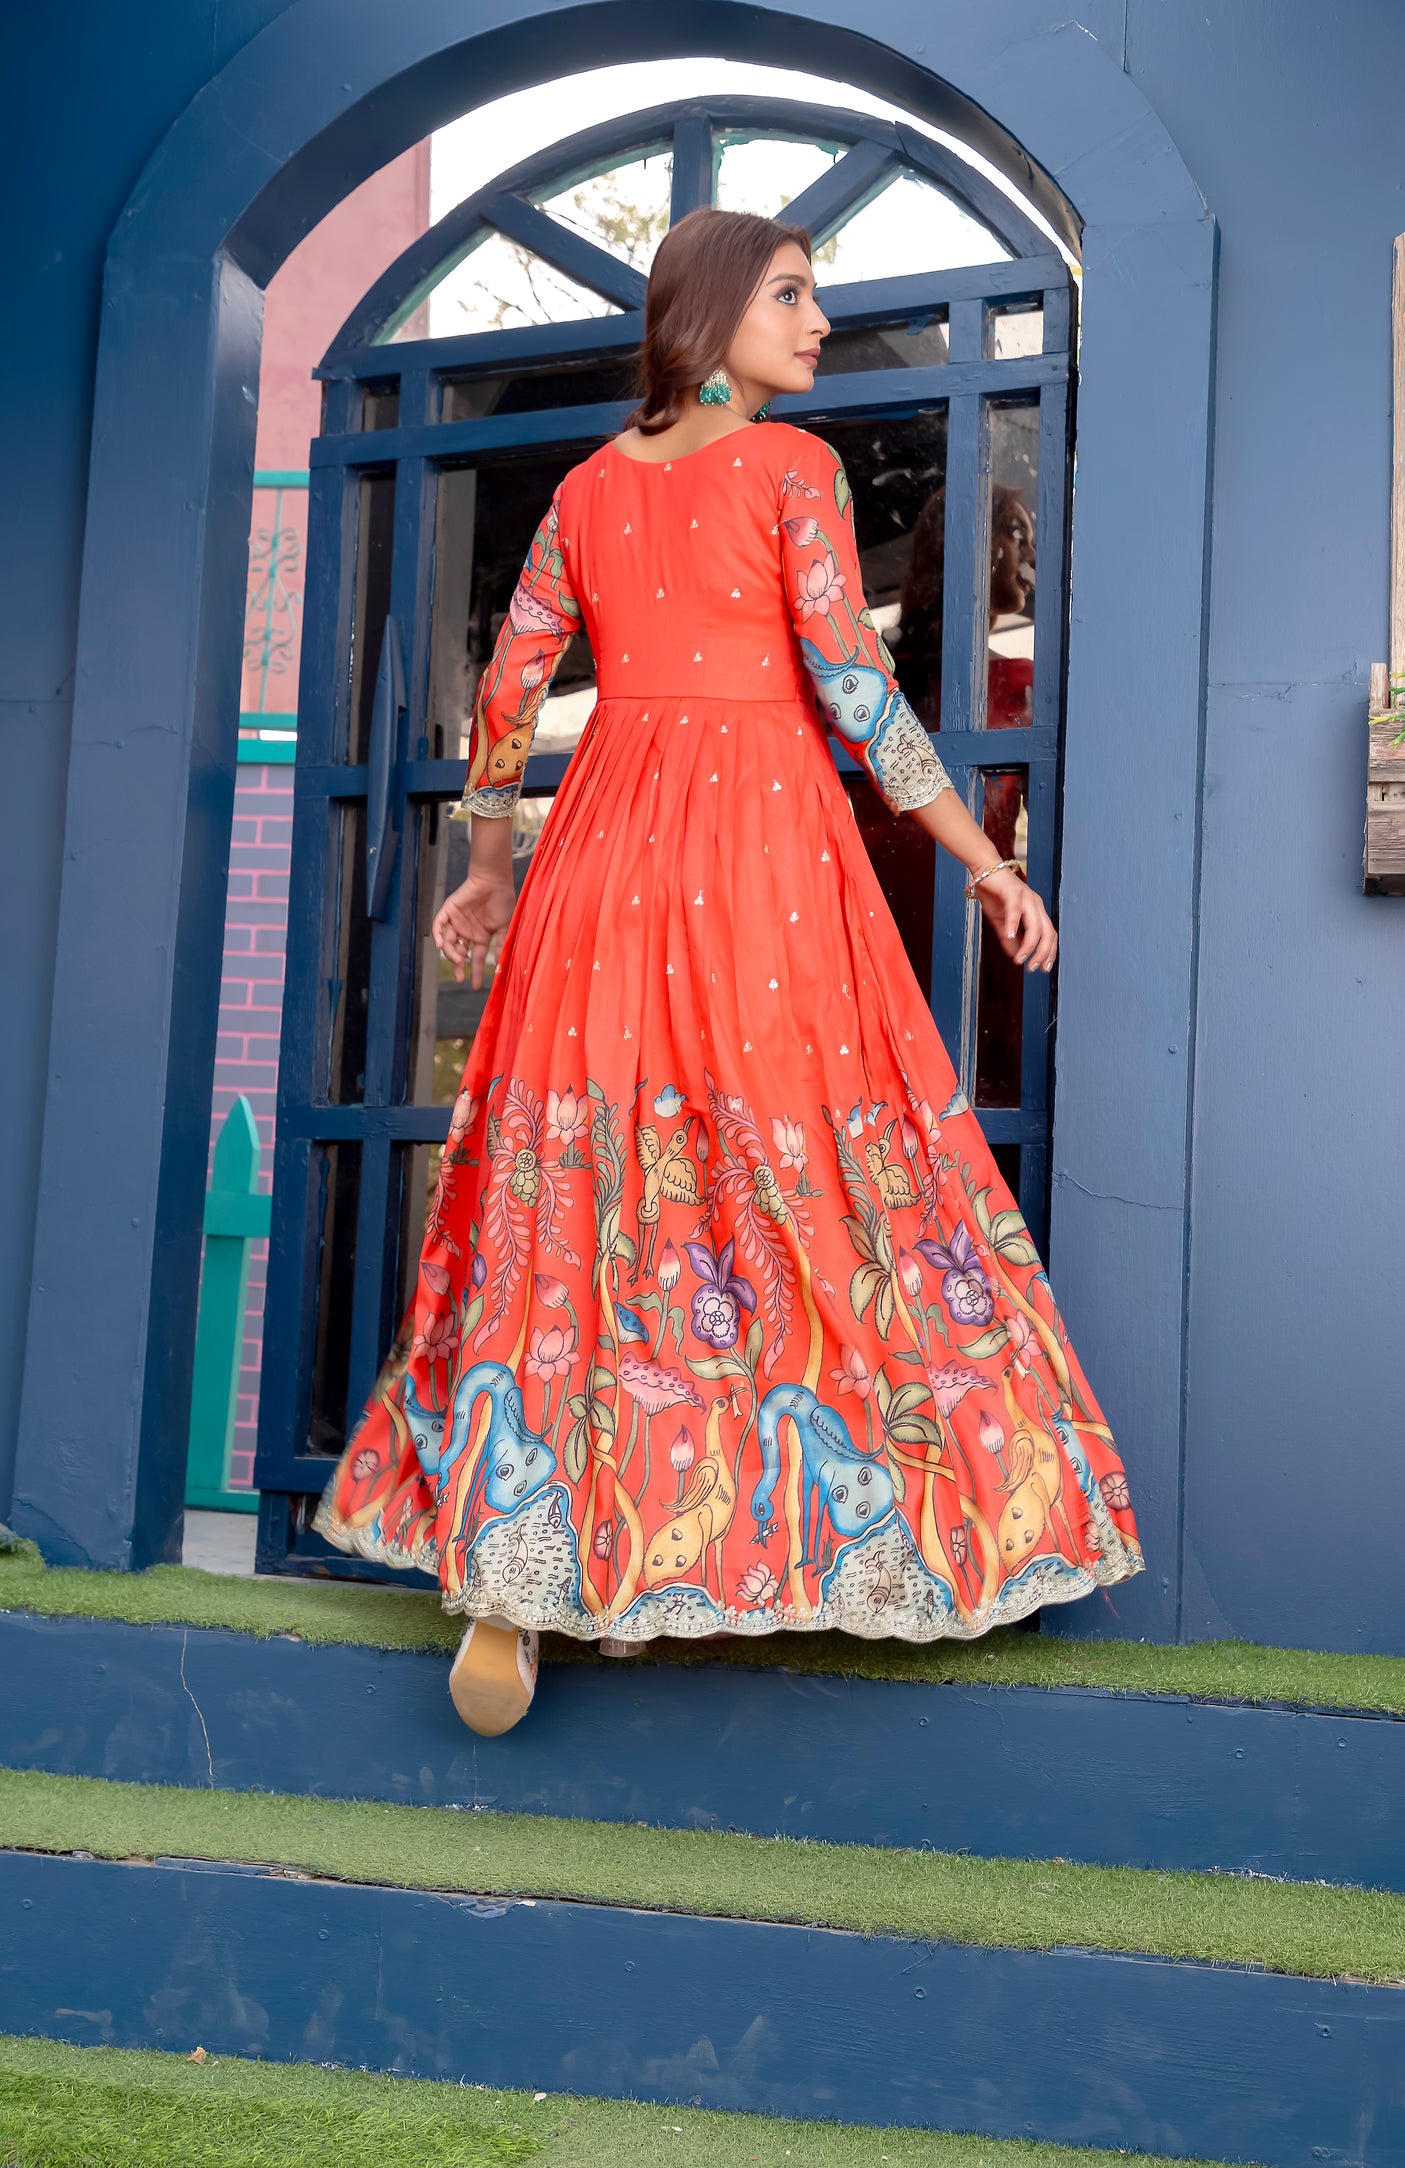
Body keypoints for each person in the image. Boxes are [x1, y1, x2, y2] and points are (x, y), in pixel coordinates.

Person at [314, 207, 1143, 1736]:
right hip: (759, 856)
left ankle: (532, 1571)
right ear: (707, 316)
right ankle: (767, 1547)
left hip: (603, 862)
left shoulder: (579, 490)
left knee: (587, 1202)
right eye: (791, 296)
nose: (817, 323)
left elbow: (507, 697)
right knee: (784, 1190)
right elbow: (852, 685)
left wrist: (492, 868)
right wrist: (981, 856)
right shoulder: (786, 469)